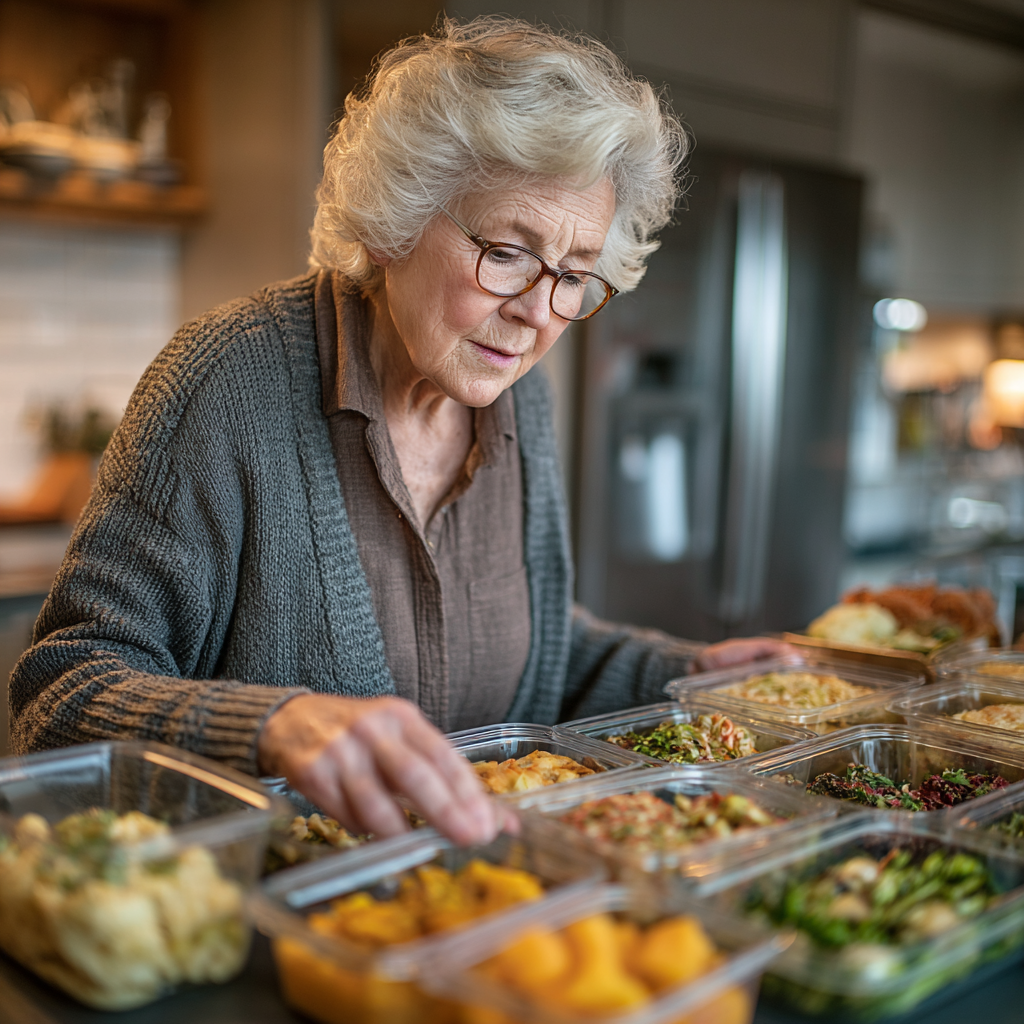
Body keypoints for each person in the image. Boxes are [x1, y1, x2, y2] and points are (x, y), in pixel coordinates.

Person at [10, 18, 788, 846]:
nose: (536, 312)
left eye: (572, 274)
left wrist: (687, 674)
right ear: (395, 222)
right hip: (275, 924)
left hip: (482, 913)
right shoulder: (227, 383)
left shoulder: (521, 402)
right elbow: (60, 695)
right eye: (507, 252)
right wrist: (273, 724)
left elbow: (530, 650)